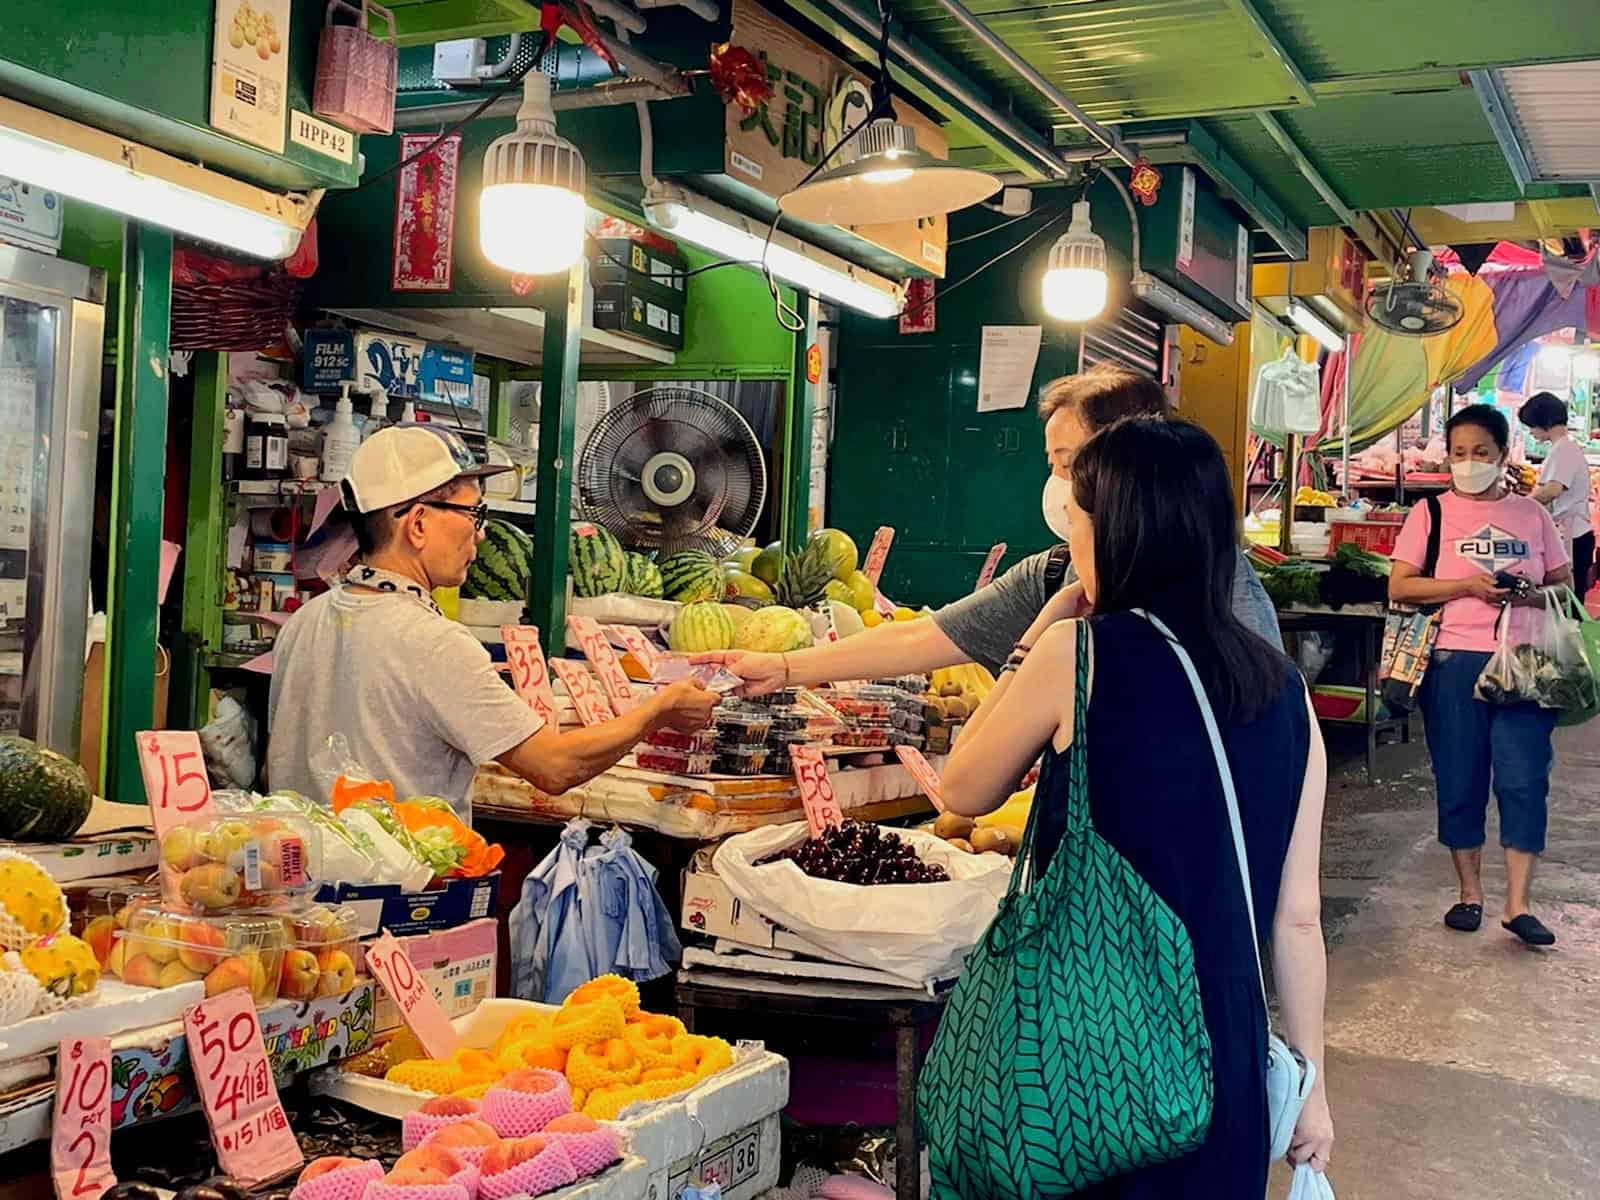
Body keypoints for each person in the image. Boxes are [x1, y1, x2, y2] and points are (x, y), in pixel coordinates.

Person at [938, 418, 1332, 1196]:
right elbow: (1296, 918)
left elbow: (961, 789)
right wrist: (1312, 1086)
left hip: (1090, 1053)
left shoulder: (1078, 654)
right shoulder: (1283, 688)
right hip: (1225, 1052)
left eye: (1077, 515)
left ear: (1113, 527)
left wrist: (1046, 624)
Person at [700, 364, 1280, 694]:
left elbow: (968, 788)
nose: (1058, 484)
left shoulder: (1223, 594)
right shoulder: (1057, 575)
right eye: (1053, 466)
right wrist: (783, 669)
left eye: (1069, 463)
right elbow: (922, 639)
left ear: (1129, 462)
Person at [268, 425, 717, 819]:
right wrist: (658, 710)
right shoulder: (434, 644)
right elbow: (555, 767)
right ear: (418, 525)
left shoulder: (304, 622)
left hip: (302, 892)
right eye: (473, 514)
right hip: (399, 900)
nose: (481, 533)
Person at [1389, 404, 1572, 947]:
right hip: (1454, 661)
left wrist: (1532, 592)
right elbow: (1401, 587)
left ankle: (1519, 905)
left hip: (1526, 662)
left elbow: (1563, 584)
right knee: (1460, 779)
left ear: (1503, 454)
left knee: (1524, 781)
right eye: (1459, 453)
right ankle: (1470, 894)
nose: (1469, 463)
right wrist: (1466, 587)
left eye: (1481, 453)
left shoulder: (1533, 516)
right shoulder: (1430, 514)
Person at [1518, 390, 1593, 594]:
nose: (1531, 432)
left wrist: (1519, 506)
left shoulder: (1564, 449)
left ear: (1544, 421)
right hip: (1569, 534)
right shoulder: (1562, 448)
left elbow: (1551, 490)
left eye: (1531, 425)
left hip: (1574, 537)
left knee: (1569, 602)